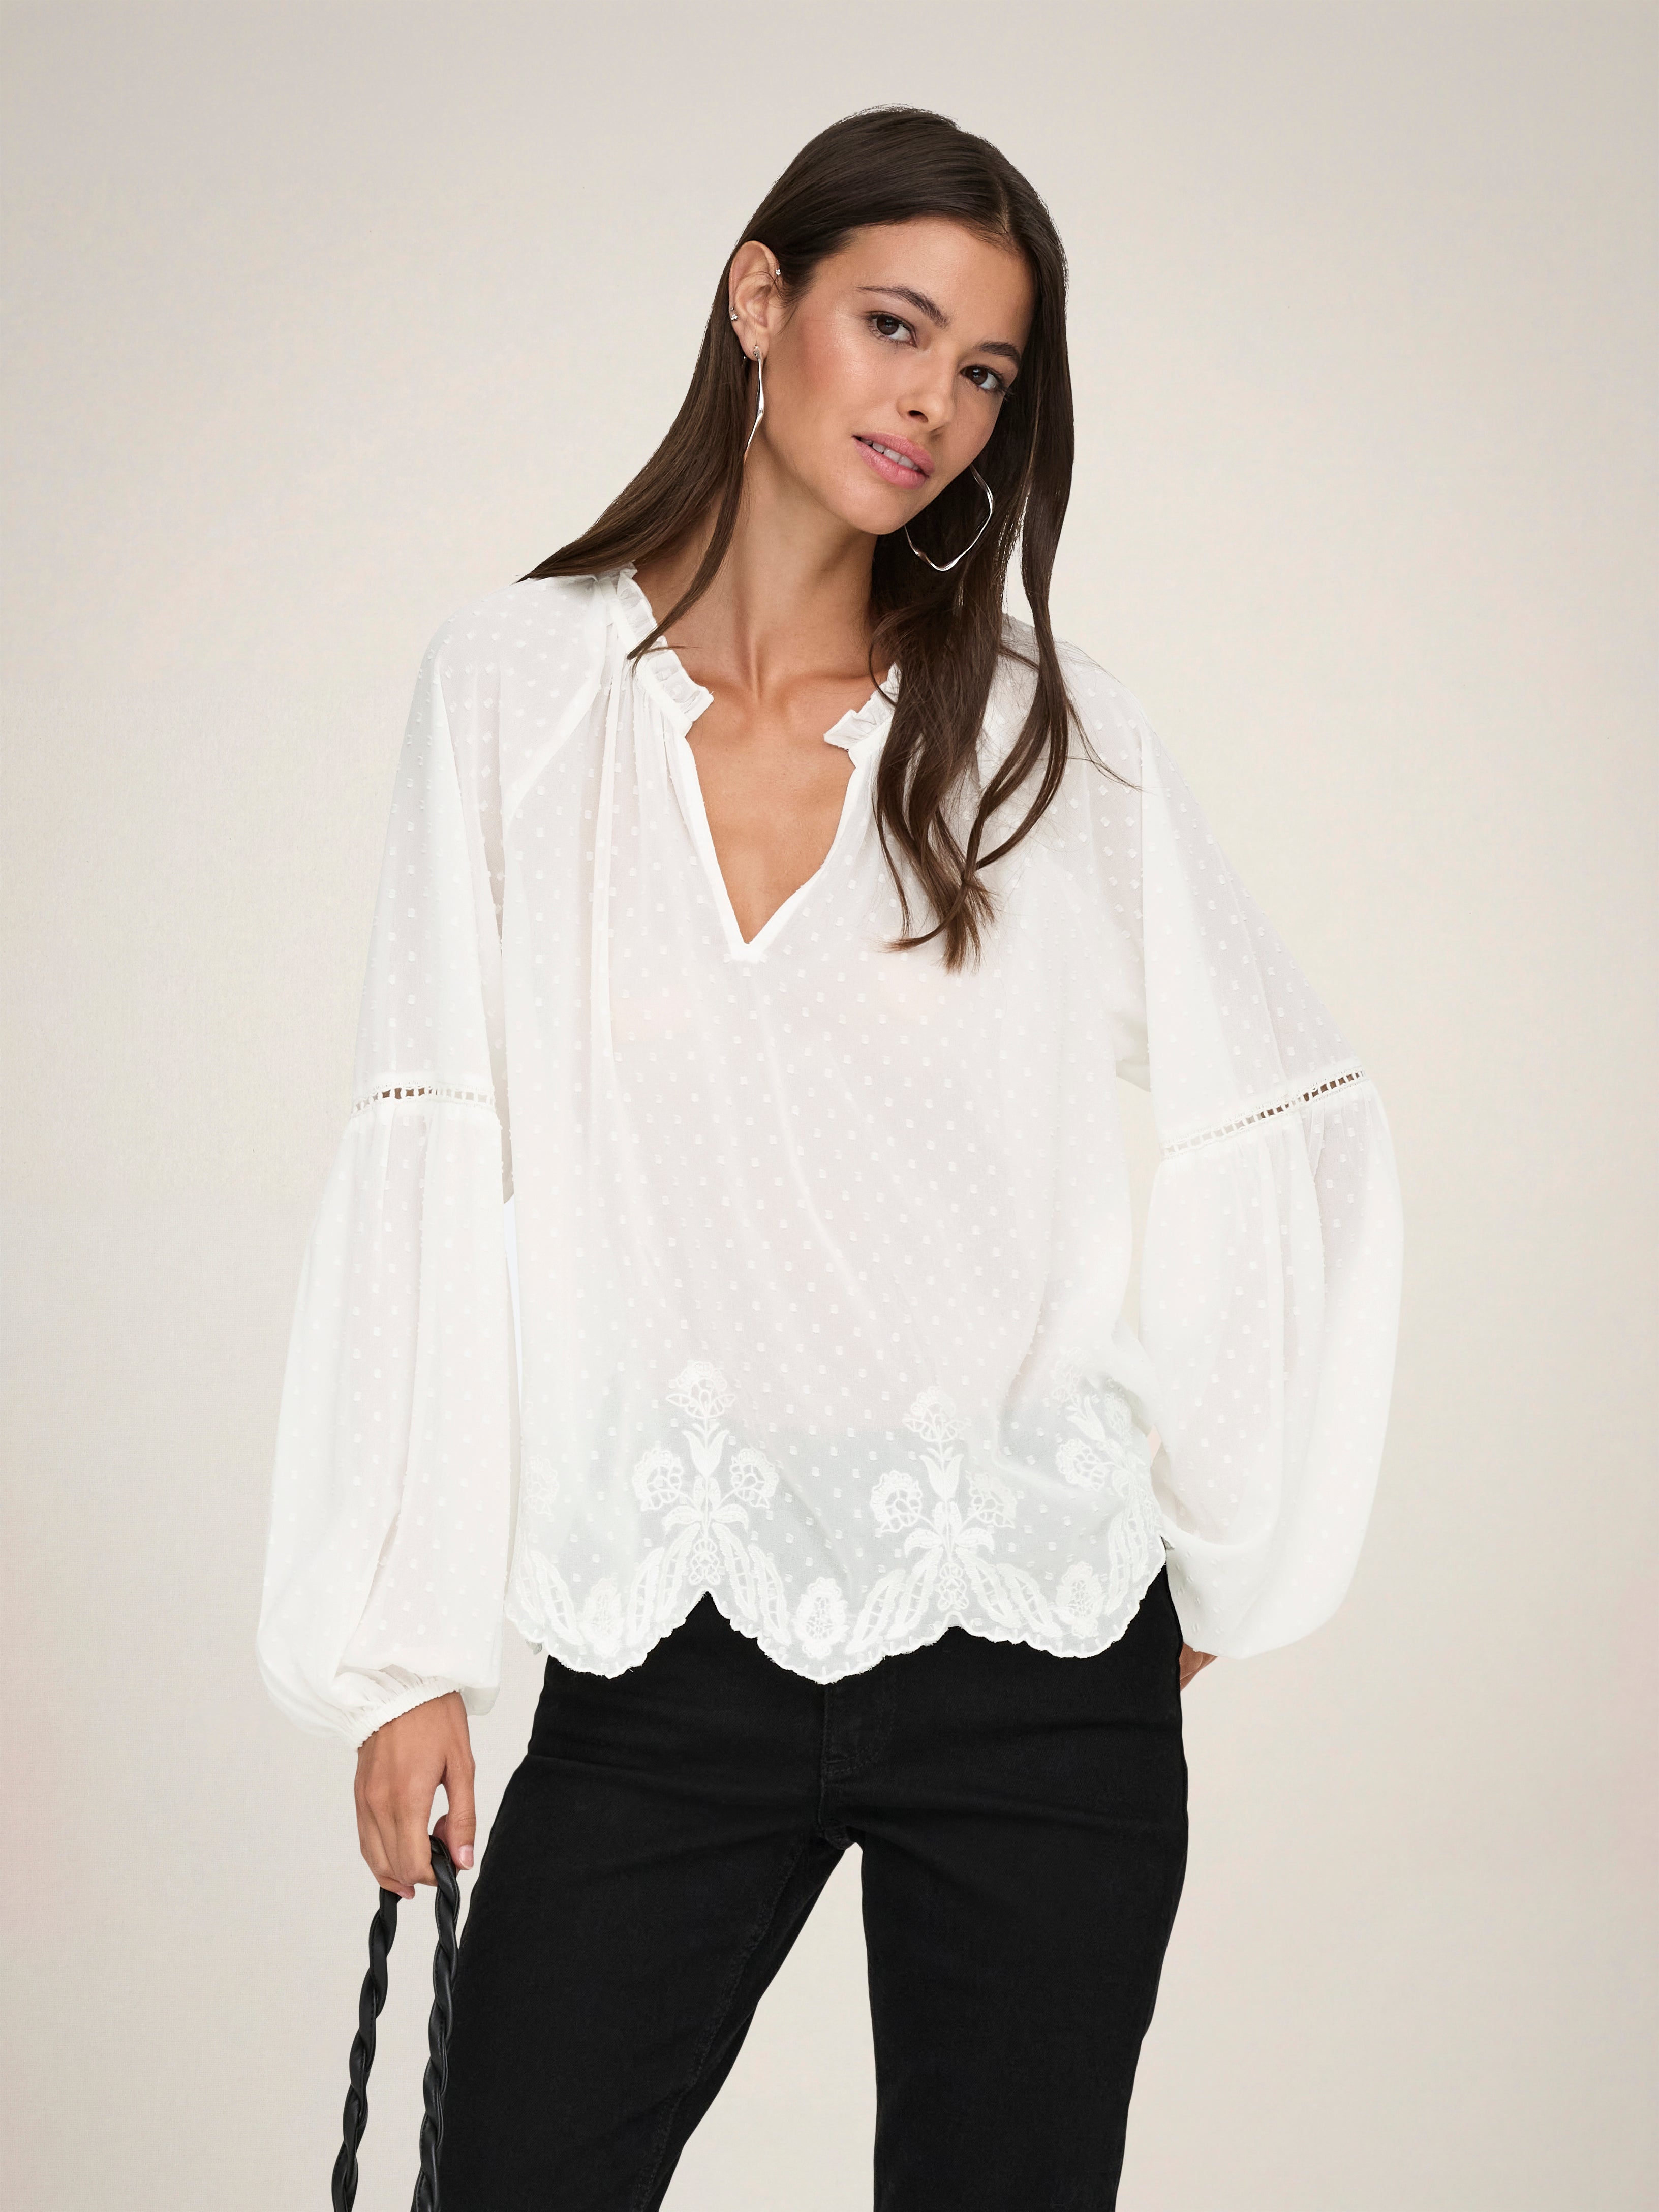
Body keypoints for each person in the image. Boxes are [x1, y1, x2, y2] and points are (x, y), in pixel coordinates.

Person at [257, 105, 1403, 2211]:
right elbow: (430, 1138)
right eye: (895, 326)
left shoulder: (1046, 734)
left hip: (1034, 1660)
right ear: (759, 298)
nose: (935, 403)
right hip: (666, 1631)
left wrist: (1214, 1537)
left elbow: (1282, 1109)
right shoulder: (514, 694)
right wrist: (404, 1648)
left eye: (988, 371)